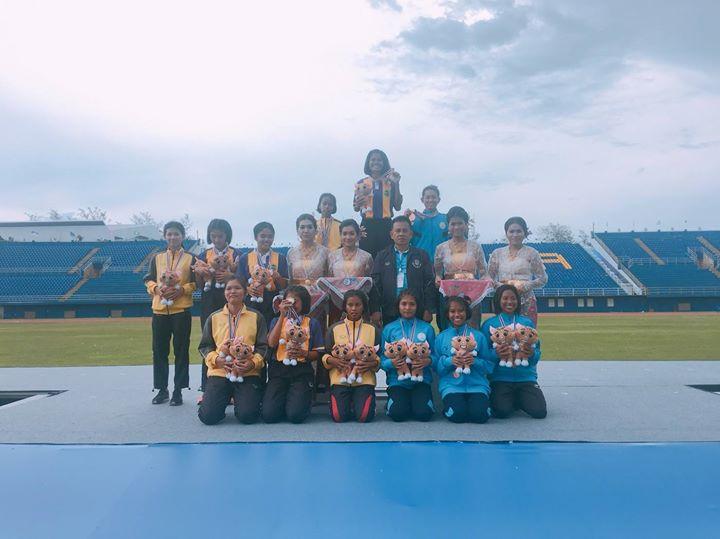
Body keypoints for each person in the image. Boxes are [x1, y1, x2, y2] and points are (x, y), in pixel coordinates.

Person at [197, 277, 268, 425]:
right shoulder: (214, 317)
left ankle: (244, 399)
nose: (232, 291)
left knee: (248, 416)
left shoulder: (256, 317)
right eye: (229, 288)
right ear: (224, 293)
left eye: (237, 288)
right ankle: (222, 398)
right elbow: (205, 346)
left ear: (245, 292)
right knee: (208, 417)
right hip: (220, 371)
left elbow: (263, 347)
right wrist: (217, 360)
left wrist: (252, 364)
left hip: (247, 373)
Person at [143, 221, 196, 406]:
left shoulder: (191, 258)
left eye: (176, 234)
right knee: (159, 351)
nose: (173, 237)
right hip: (159, 310)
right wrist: (156, 289)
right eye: (169, 234)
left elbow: (195, 283)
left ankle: (178, 390)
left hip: (181, 310)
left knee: (181, 351)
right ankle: (161, 389)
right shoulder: (157, 258)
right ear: (165, 236)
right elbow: (148, 279)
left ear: (183, 236)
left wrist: (182, 290)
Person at [482, 284, 546, 419]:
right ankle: (513, 399)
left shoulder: (527, 323)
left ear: (518, 300)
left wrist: (531, 354)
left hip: (525, 378)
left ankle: (519, 398)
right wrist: (496, 354)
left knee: (539, 412)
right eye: (505, 298)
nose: (509, 302)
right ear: (498, 300)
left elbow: (537, 353)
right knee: (501, 412)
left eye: (513, 298)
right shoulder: (489, 324)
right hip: (500, 378)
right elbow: (483, 355)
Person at [263, 285, 324, 423]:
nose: (292, 304)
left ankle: (300, 400)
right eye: (288, 300)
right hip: (278, 370)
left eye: (296, 301)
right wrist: (281, 316)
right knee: (269, 415)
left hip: (301, 371)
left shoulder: (312, 323)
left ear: (304, 302)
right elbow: (271, 343)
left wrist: (304, 353)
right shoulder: (276, 321)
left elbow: (318, 353)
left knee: (295, 416)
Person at [194, 219, 240, 395]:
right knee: (209, 343)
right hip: (209, 304)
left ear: (227, 235)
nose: (217, 239)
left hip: (232, 303)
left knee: (235, 341)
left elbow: (243, 280)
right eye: (213, 236)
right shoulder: (203, 255)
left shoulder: (237, 254)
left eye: (220, 236)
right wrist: (200, 274)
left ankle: (234, 388)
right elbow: (198, 285)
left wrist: (230, 276)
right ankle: (207, 387)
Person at [322, 290, 381, 423]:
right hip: (340, 378)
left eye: (358, 305)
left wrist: (373, 364)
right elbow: (325, 353)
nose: (354, 308)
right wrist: (332, 360)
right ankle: (347, 402)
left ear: (363, 306)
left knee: (364, 417)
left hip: (364, 379)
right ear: (345, 306)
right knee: (339, 417)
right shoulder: (334, 328)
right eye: (350, 305)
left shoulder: (372, 329)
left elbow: (379, 356)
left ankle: (358, 402)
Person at [434, 296, 495, 423]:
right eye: (452, 311)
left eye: (461, 310)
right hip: (451, 386)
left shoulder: (478, 336)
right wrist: (449, 361)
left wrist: (475, 361)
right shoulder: (441, 337)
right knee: (457, 416)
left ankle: (477, 407)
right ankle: (453, 408)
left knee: (480, 417)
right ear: (447, 314)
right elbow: (437, 369)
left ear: (467, 312)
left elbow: (489, 366)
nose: (457, 314)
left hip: (477, 385)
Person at [380, 289, 436, 422]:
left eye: (412, 304)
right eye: (404, 304)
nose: (407, 308)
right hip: (397, 380)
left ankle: (417, 402)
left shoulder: (427, 328)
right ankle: (399, 403)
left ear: (417, 306)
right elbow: (381, 358)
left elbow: (435, 356)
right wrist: (391, 363)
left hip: (421, 380)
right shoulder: (389, 329)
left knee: (423, 415)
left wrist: (428, 361)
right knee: (397, 415)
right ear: (398, 306)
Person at [371, 215, 436, 326]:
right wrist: (375, 309)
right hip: (389, 309)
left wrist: (428, 309)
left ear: (411, 234)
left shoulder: (422, 255)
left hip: (416, 309)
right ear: (391, 234)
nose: (401, 234)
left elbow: (429, 283)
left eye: (405, 231)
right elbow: (376, 284)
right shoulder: (382, 256)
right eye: (398, 231)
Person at [433, 206, 487, 330]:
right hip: (449, 295)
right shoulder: (440, 248)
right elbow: (438, 273)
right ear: (448, 226)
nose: (456, 227)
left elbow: (484, 272)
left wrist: (486, 280)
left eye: (460, 223)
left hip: (472, 295)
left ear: (466, 225)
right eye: (453, 224)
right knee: (450, 328)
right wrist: (438, 278)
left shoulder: (476, 247)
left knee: (472, 329)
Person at [487, 217, 547, 327]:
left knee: (526, 333)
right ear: (506, 233)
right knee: (503, 333)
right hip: (503, 301)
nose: (515, 235)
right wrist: (501, 287)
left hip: (526, 301)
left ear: (525, 233)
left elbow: (543, 278)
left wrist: (526, 286)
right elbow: (488, 278)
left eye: (519, 231)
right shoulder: (497, 253)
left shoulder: (532, 253)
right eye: (511, 231)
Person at [236, 221, 289, 325]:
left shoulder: (281, 258)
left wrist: (278, 278)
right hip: (251, 303)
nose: (266, 239)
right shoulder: (245, 258)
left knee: (271, 332)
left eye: (270, 236)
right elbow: (239, 282)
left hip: (273, 304)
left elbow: (285, 285)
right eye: (263, 236)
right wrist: (247, 289)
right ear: (256, 237)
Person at [353, 149, 403, 257]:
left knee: (386, 258)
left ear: (384, 163)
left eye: (379, 160)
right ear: (368, 162)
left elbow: (398, 206)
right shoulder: (361, 183)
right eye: (373, 159)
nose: (376, 162)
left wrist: (397, 183)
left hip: (386, 225)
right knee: (366, 258)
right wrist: (357, 203)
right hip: (367, 226)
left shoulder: (390, 182)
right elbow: (356, 207)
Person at [409, 185, 447, 261]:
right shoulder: (414, 219)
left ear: (438, 199)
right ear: (422, 199)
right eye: (428, 197)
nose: (431, 200)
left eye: (434, 197)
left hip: (441, 262)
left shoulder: (446, 219)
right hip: (420, 261)